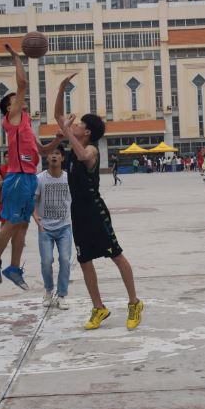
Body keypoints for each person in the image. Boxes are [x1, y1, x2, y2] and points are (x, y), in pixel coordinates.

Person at [55, 74, 143, 330]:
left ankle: (134, 302)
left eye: (78, 124)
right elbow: (58, 115)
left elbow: (84, 155)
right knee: (85, 262)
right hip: (78, 212)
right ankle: (98, 307)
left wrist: (66, 131)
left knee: (116, 255)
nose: (74, 125)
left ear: (87, 132)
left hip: (95, 211)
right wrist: (61, 88)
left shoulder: (91, 149)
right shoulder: (74, 144)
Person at [0, 43, 61, 290]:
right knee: (11, 223)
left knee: (23, 226)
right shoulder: (13, 118)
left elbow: (44, 151)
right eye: (15, 100)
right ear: (9, 108)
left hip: (29, 178)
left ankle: (14, 268)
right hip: (16, 177)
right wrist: (16, 58)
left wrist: (58, 139)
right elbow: (23, 84)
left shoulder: (26, 123)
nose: (20, 100)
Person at [33, 144, 73, 310]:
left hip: (64, 227)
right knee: (46, 261)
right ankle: (49, 291)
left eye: (57, 153)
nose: (54, 156)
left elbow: (76, 199)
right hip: (45, 229)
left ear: (62, 158)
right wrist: (36, 217)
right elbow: (33, 200)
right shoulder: (40, 178)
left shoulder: (69, 178)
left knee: (65, 260)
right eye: (51, 154)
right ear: (47, 158)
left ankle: (61, 295)